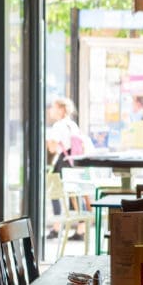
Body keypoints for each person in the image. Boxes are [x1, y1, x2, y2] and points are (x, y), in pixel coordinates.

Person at [45, 97, 92, 240]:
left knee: (55, 193)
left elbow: (52, 148)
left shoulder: (58, 126)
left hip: (63, 162)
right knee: (75, 195)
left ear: (61, 109)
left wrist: (50, 143)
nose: (51, 110)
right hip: (74, 162)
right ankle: (80, 229)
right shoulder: (73, 125)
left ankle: (57, 227)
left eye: (53, 107)